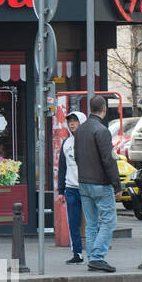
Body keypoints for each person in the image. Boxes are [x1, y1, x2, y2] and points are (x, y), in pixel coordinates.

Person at [74, 94, 123, 272]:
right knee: (109, 221)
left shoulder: (80, 130)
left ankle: (92, 258)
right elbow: (108, 160)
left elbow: (77, 157)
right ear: (104, 109)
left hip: (83, 182)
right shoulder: (102, 131)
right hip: (100, 184)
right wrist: (117, 185)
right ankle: (97, 257)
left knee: (91, 222)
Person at [57, 111, 87, 264]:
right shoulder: (66, 143)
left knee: (91, 222)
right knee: (73, 222)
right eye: (70, 121)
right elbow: (62, 167)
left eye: (75, 121)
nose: (72, 124)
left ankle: (95, 254)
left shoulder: (89, 141)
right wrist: (61, 190)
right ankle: (77, 253)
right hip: (71, 189)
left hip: (87, 187)